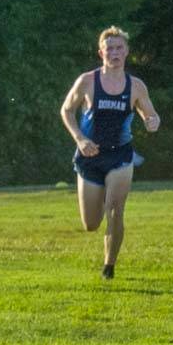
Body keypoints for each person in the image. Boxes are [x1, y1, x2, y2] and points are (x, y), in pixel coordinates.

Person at [59, 26, 161, 280]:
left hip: (120, 156)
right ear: (101, 52)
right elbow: (66, 111)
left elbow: (151, 114)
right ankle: (101, 195)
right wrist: (80, 139)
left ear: (126, 52)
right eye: (109, 48)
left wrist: (153, 121)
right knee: (91, 224)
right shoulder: (87, 82)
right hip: (90, 156)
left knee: (116, 210)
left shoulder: (135, 86)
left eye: (119, 48)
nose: (114, 52)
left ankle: (109, 267)